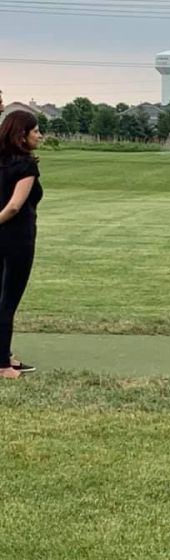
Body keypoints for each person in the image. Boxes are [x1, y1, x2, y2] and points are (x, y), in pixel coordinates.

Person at [0, 111, 44, 379]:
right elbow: (15, 206)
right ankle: (3, 365)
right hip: (17, 240)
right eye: (35, 131)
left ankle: (4, 355)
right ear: (21, 135)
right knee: (8, 302)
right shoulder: (25, 166)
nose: (39, 135)